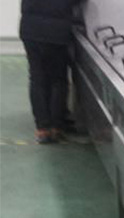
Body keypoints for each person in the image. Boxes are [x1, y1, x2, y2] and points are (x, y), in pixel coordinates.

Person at [19, 0, 79, 144]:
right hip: (55, 32)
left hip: (31, 28)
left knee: (37, 78)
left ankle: (42, 128)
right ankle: (56, 126)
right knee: (58, 80)